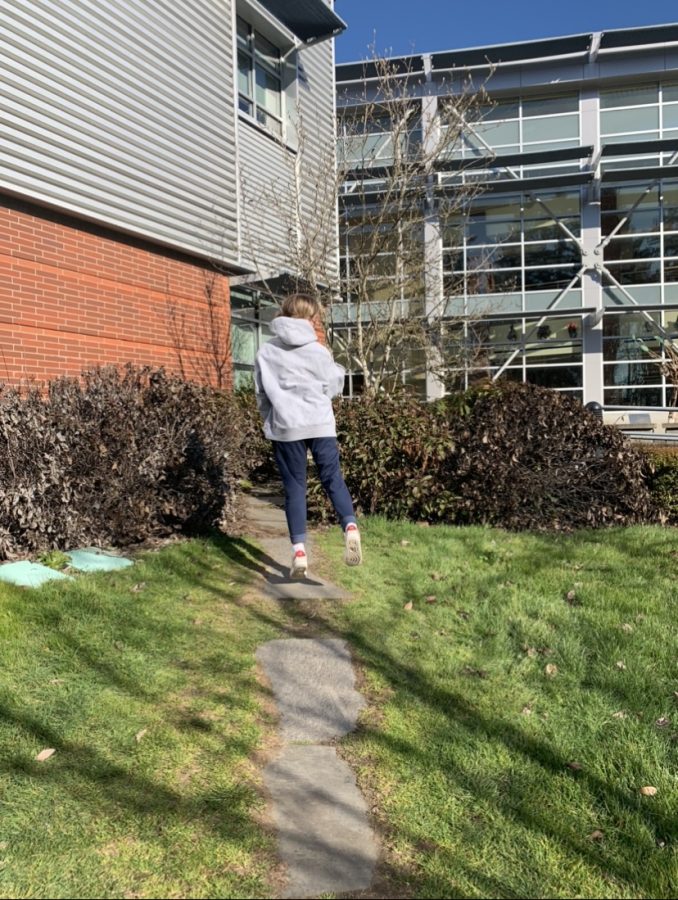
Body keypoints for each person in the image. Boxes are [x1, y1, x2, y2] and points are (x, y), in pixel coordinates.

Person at [254, 294, 362, 579]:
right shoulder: (318, 350)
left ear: (283, 314)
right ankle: (349, 526)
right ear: (312, 318)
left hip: (287, 426)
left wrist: (270, 422)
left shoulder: (266, 351)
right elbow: (332, 386)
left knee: (294, 488)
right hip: (320, 423)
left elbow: (261, 394)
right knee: (332, 478)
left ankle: (299, 552)